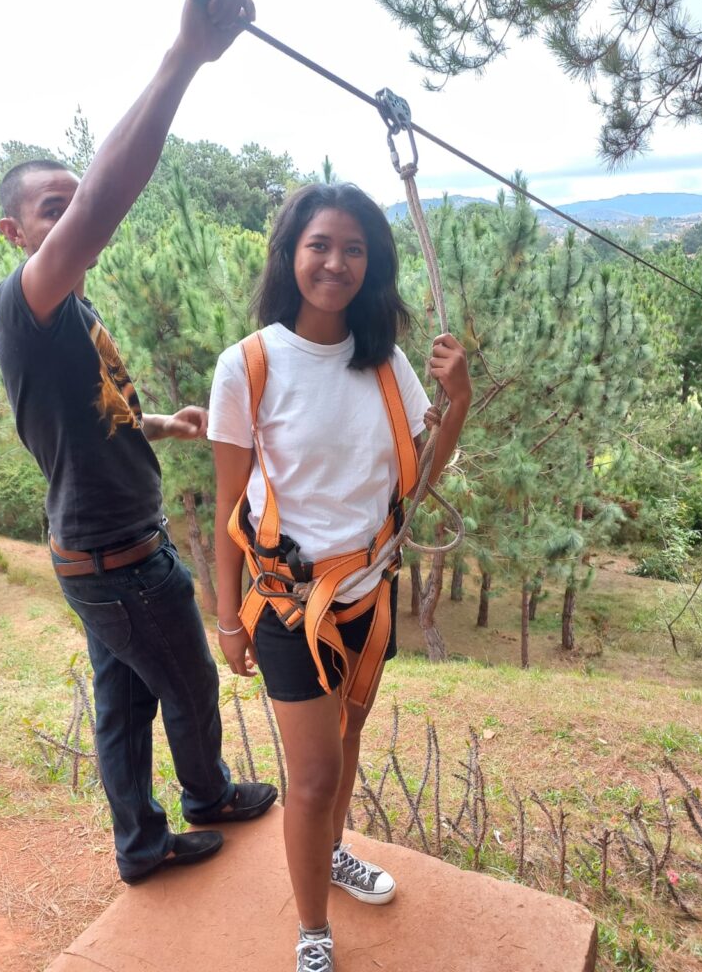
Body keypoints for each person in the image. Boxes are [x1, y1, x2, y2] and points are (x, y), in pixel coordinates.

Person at [0, 0, 277, 887]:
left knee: (122, 706)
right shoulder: (26, 301)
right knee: (188, 686)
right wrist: (182, 57)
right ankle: (207, 798)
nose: (72, 217)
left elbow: (91, 415)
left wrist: (163, 423)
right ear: (13, 232)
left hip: (97, 553)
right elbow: (109, 197)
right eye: (53, 210)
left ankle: (141, 848)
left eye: (70, 204)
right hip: (117, 558)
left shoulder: (71, 309)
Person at [208, 183, 472, 971]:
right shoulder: (249, 366)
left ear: (373, 264)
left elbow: (418, 479)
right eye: (320, 244)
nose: (336, 262)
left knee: (348, 742)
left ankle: (327, 854)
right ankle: (313, 932)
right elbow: (231, 504)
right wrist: (227, 620)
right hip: (289, 605)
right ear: (292, 254)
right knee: (314, 775)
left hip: (367, 596)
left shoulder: (387, 364)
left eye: (354, 249)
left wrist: (455, 403)